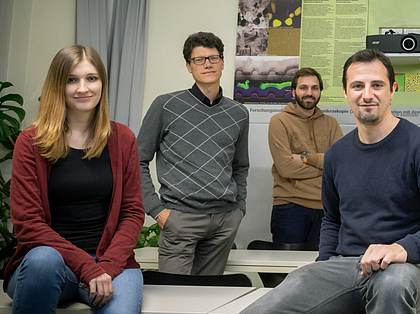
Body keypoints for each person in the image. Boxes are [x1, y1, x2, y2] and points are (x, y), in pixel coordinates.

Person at [241, 49, 420, 314]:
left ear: (393, 89)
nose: (367, 94)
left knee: (391, 284)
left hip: (410, 268)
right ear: (345, 92)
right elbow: (332, 221)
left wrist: (401, 248)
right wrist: (322, 265)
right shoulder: (337, 155)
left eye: (376, 85)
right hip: (347, 266)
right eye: (358, 86)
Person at [4, 45, 144, 313]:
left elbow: (132, 212)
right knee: (44, 260)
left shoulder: (123, 139)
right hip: (48, 266)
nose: (83, 88)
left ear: (102, 83)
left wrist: (106, 267)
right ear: (58, 85)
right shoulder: (30, 141)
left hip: (109, 264)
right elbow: (28, 224)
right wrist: (86, 268)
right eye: (72, 79)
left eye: (91, 78)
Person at [137, 31, 249, 275]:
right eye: (199, 59)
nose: (207, 64)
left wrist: (238, 209)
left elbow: (240, 166)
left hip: (223, 221)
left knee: (209, 299)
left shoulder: (238, 113)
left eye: (213, 58)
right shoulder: (166, 106)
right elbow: (137, 161)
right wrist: (157, 211)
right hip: (180, 219)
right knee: (174, 300)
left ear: (223, 62)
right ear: (188, 66)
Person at [267, 67, 343, 245]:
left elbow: (340, 164)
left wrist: (306, 158)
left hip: (327, 209)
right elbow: (286, 168)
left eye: (315, 88)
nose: (309, 93)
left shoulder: (331, 123)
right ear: (293, 91)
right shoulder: (279, 121)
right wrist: (324, 167)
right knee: (286, 269)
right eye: (303, 88)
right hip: (289, 206)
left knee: (320, 269)